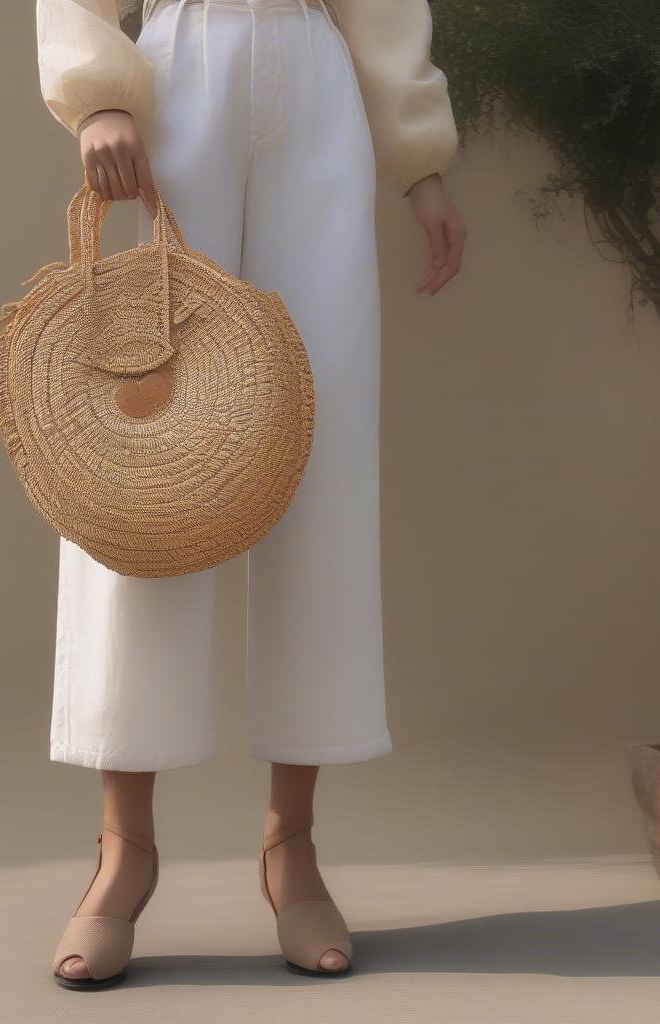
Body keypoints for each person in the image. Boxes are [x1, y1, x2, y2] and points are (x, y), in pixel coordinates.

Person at [34, 0, 467, 990]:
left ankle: (291, 844)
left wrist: (419, 160)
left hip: (316, 88)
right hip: (173, 75)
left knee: (318, 442)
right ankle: (122, 849)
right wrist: (100, 94)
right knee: (143, 448)